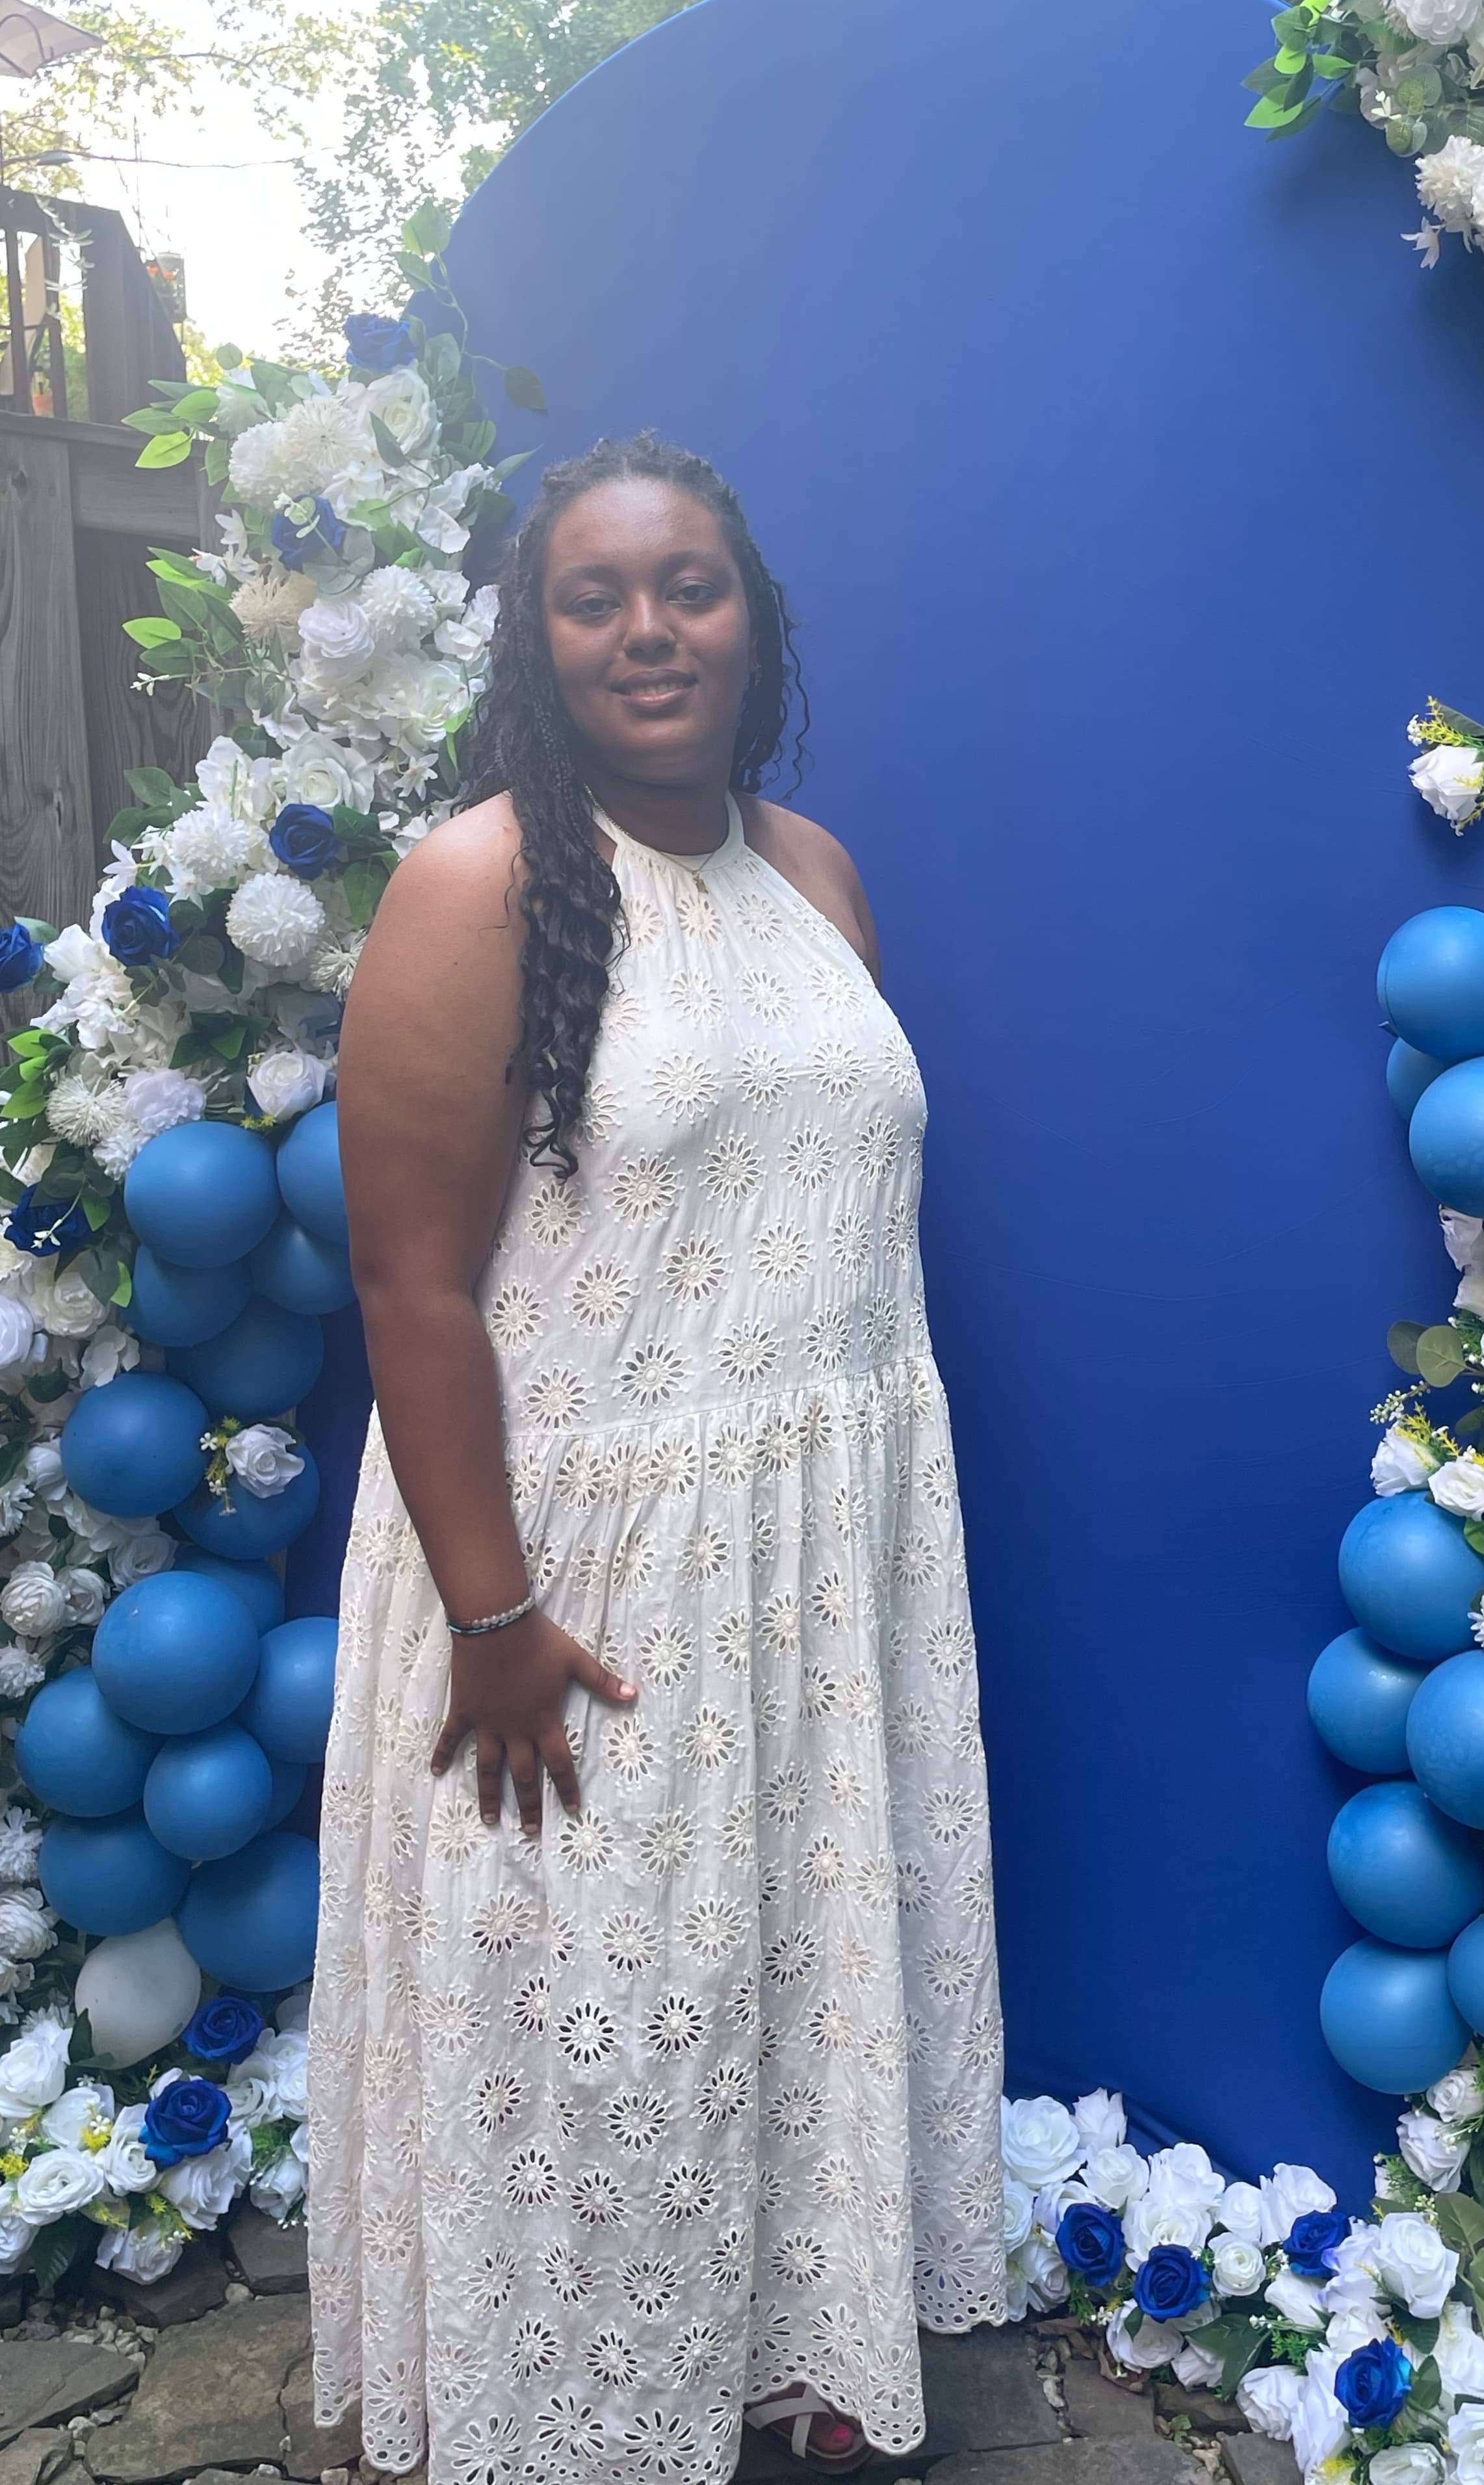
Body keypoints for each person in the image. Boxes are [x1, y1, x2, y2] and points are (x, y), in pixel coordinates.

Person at [307, 434, 1006, 2484]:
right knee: (596, 2037)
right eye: (595, 595)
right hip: (579, 1580)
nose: (647, 629)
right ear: (540, 641)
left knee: (790, 1979)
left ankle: (795, 2349)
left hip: (817, 1551)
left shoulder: (815, 874)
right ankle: (578, 2424)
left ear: (752, 617)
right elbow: (410, 1285)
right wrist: (493, 1616)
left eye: (688, 585)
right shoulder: (477, 886)